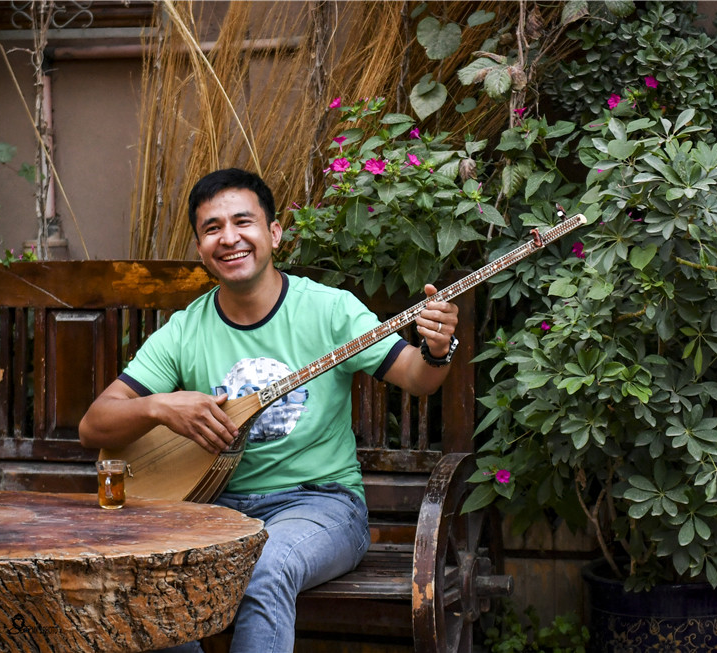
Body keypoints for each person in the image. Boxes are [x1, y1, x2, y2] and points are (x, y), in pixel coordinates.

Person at [78, 168, 460, 653]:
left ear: (274, 233)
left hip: (322, 506)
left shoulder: (328, 309)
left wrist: (436, 348)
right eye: (212, 228)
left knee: (264, 567)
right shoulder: (184, 329)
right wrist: (160, 406)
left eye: (244, 222)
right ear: (200, 247)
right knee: (153, 577)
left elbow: (417, 376)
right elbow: (94, 426)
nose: (229, 238)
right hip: (217, 511)